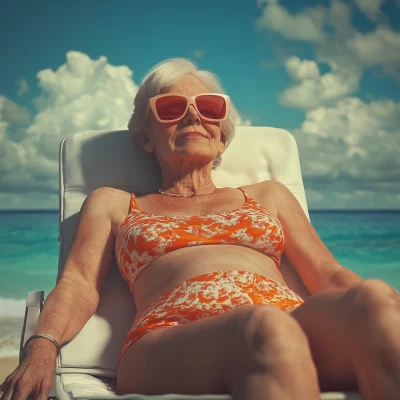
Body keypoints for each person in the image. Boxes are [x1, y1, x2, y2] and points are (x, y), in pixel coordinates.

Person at [1, 58, 399, 400]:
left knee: (376, 302)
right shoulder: (115, 203)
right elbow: (78, 285)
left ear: (221, 136)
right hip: (167, 340)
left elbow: (328, 275)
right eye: (172, 107)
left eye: (208, 107)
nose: (193, 115)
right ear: (144, 136)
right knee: (266, 328)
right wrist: (42, 347)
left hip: (285, 324)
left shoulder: (270, 196)